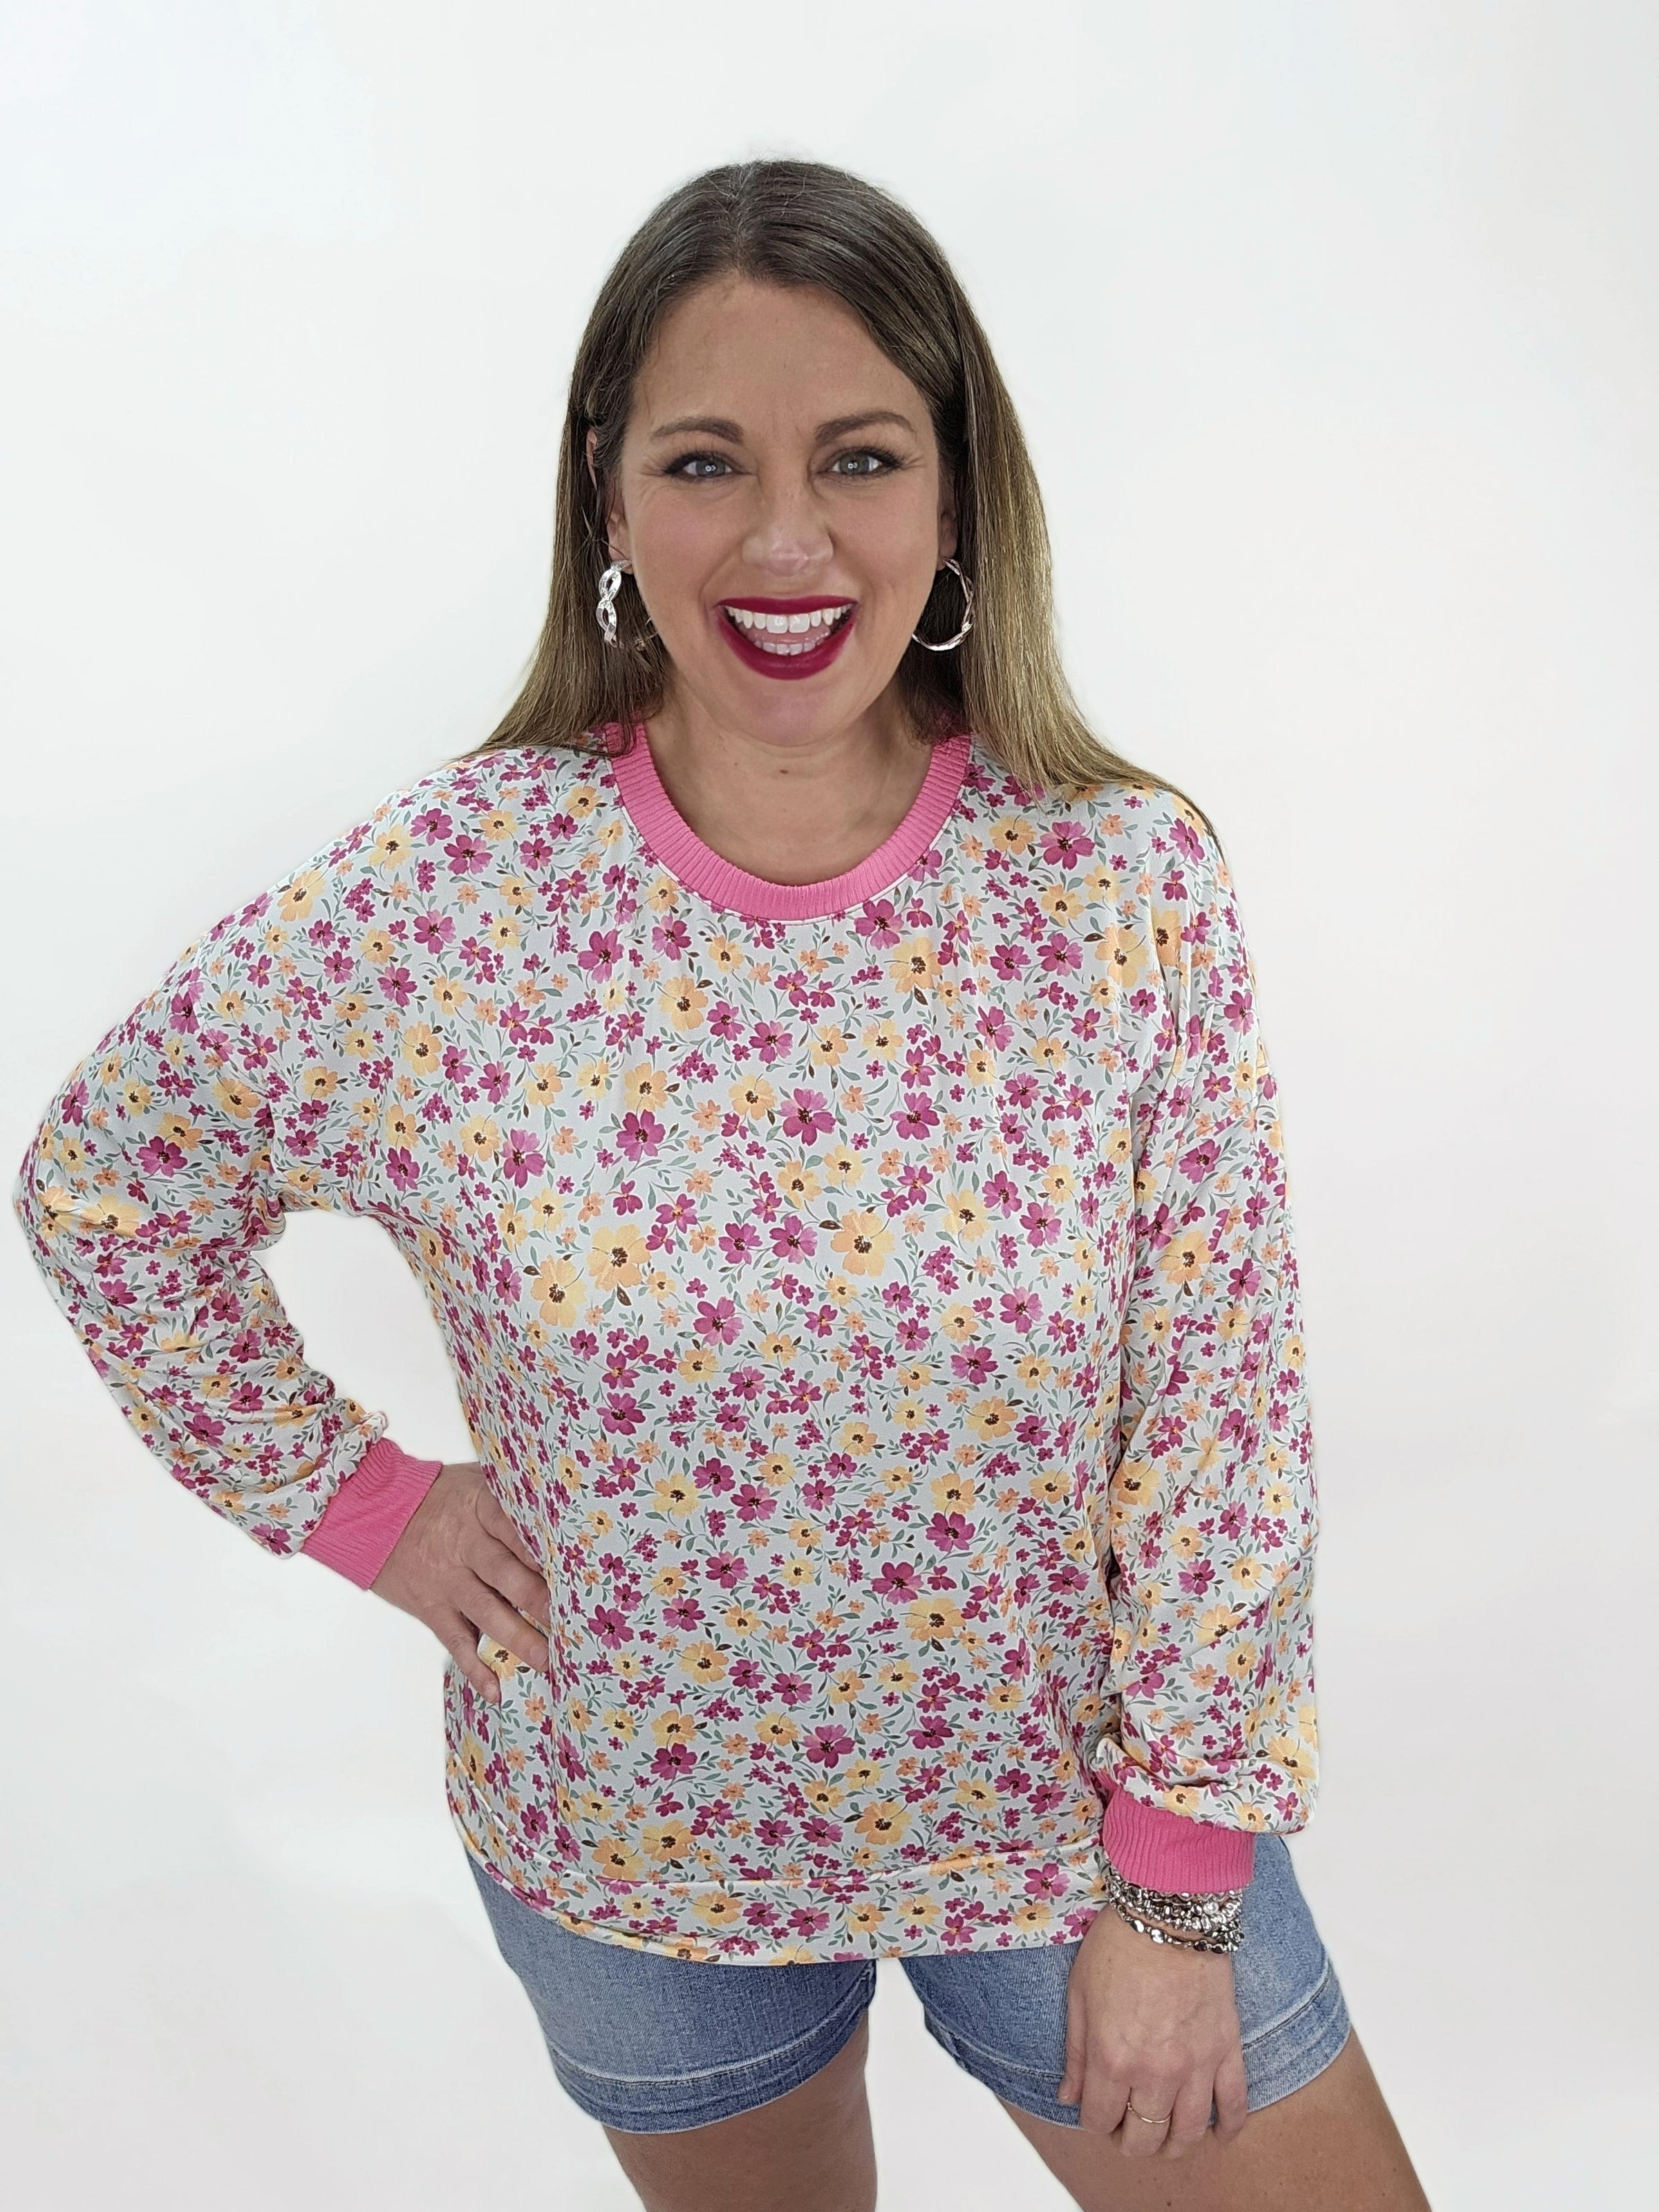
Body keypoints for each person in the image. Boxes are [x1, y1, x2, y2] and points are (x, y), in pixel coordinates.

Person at [12, 158, 1430, 2212]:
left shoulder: (1114, 884)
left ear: (957, 496)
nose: (785, 539)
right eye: (704, 463)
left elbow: (1220, 1409)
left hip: (1074, 1847)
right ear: (609, 499)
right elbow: (108, 1184)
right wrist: (362, 1504)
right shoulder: (453, 898)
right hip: (634, 1864)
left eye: (859, 457)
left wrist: (1183, 1883)